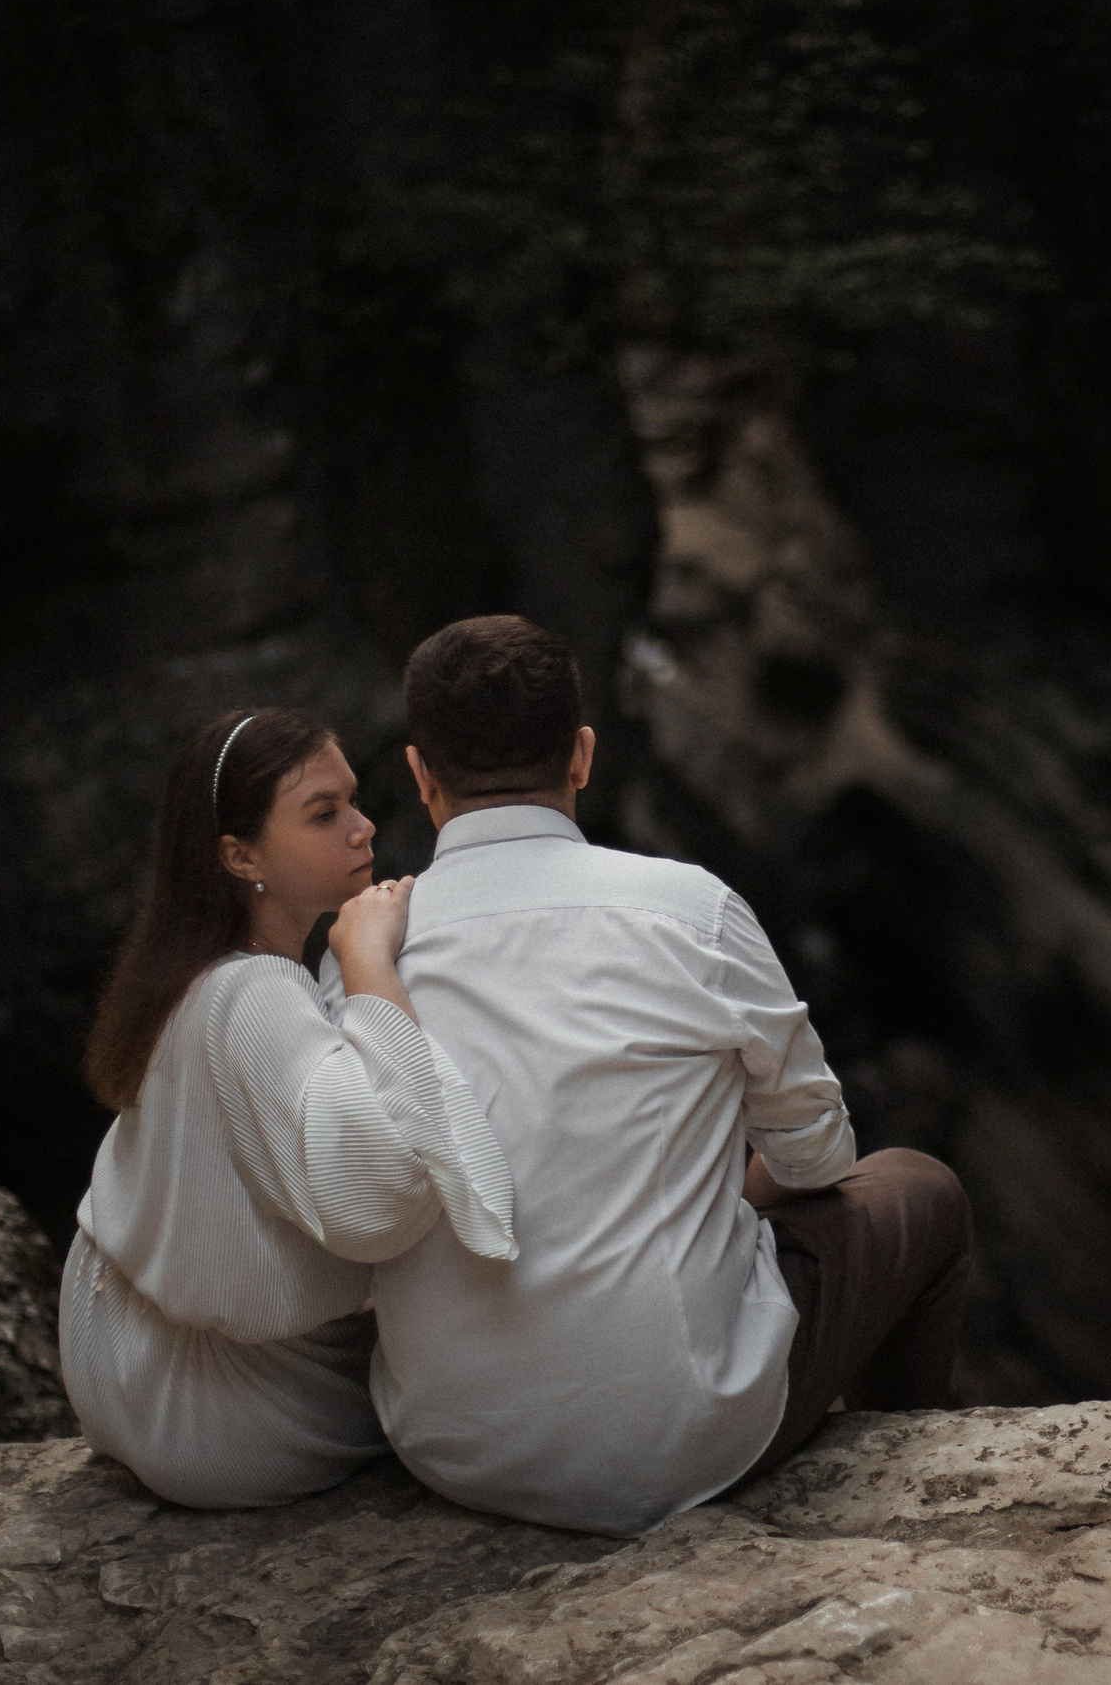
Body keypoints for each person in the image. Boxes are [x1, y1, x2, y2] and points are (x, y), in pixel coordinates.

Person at [364, 615, 973, 1537]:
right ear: (582, 754)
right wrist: (704, 1193)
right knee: (920, 1187)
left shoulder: (366, 952)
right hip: (679, 1442)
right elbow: (817, 1157)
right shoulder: (693, 910)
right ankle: (901, 1494)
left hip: (452, 1447)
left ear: (419, 773)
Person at [61, 706, 518, 1508]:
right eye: (323, 813)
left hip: (121, 1362)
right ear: (239, 856)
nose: (363, 827)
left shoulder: (187, 972)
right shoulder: (254, 993)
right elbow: (383, 1194)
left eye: (353, 800)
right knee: (495, 1350)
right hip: (215, 1413)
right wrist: (369, 960)